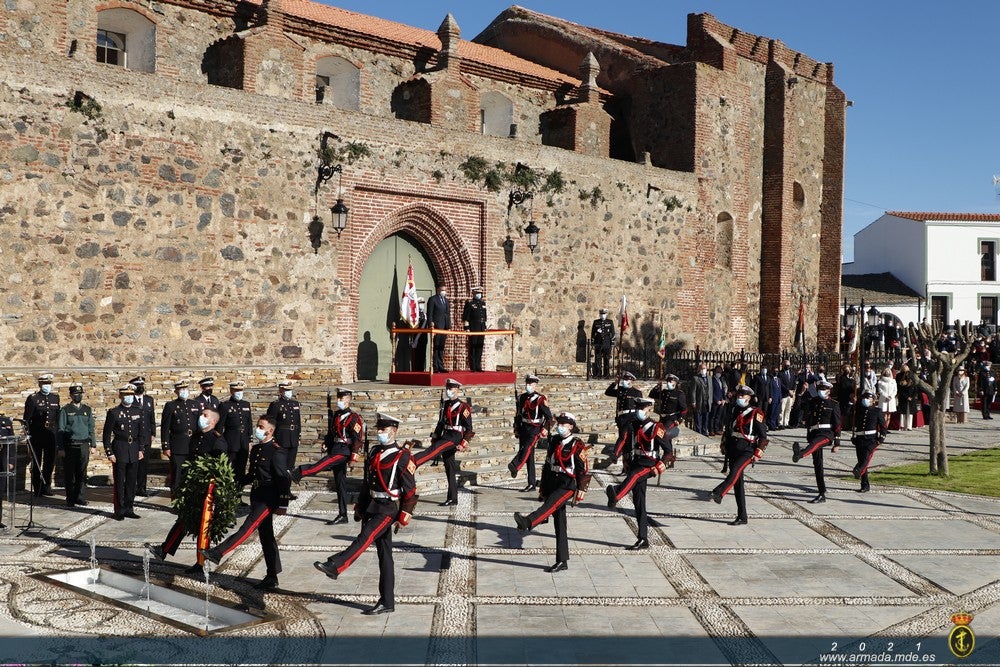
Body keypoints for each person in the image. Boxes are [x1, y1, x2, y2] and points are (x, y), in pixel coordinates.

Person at [313, 413, 418, 614]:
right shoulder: (374, 451)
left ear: (394, 431)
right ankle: (387, 602)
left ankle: (335, 565)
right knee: (385, 556)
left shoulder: (402, 456)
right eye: (378, 429)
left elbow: (410, 490)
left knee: (365, 537)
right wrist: (360, 506)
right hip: (372, 504)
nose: (380, 433)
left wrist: (405, 514)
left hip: (388, 508)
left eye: (383, 430)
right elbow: (366, 482)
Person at [200, 415, 291, 591]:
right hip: (257, 495)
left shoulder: (276, 451)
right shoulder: (256, 449)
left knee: (248, 527)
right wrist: (235, 482)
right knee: (266, 537)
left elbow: (283, 479)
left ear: (270, 430)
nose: (257, 429)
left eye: (260, 426)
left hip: (269, 497)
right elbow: (253, 474)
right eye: (257, 425)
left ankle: (218, 552)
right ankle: (272, 576)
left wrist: (283, 503)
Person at [513, 412, 591, 573]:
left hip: (568, 484)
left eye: (564, 424)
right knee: (559, 524)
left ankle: (528, 522)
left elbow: (582, 470)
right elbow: (548, 465)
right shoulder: (555, 440)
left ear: (571, 426)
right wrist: (543, 489)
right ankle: (562, 560)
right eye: (559, 424)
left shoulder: (577, 445)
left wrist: (581, 490)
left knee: (551, 505)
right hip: (554, 481)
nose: (560, 427)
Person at [606, 398, 672, 549]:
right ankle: (643, 539)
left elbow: (669, 452)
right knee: (639, 503)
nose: (640, 411)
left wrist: (660, 466)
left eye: (643, 408)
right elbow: (623, 439)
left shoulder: (656, 428)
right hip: (636, 461)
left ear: (649, 410)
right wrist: (616, 455)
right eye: (638, 408)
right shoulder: (633, 425)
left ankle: (616, 493)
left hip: (649, 464)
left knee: (634, 475)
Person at [292, 388, 365, 524]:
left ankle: (299, 472)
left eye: (341, 399)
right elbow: (331, 434)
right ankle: (343, 515)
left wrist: (354, 457)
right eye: (338, 398)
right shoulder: (337, 415)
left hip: (344, 451)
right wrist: (326, 443)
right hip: (336, 448)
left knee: (322, 464)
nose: (339, 401)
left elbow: (357, 439)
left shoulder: (353, 418)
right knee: (340, 485)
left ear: (348, 400)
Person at [710, 385, 768, 525]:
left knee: (734, 470)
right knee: (738, 484)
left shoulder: (756, 413)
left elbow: (763, 437)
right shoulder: (734, 409)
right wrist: (724, 444)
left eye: (742, 396)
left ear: (749, 397)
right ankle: (742, 516)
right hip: (733, 448)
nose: (739, 398)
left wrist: (758, 453)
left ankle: (719, 492)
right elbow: (728, 429)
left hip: (747, 450)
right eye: (738, 395)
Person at [412, 378, 472, 506]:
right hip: (445, 434)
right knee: (449, 468)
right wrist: (435, 437)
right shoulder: (445, 404)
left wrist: (463, 443)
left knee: (434, 450)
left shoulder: (463, 407)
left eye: (451, 388)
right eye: (447, 388)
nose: (448, 391)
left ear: (457, 390)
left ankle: (413, 462)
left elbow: (469, 428)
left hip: (455, 436)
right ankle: (453, 498)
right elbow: (440, 423)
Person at [791, 379, 842, 503]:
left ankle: (800, 454)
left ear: (829, 391)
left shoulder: (833, 404)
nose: (821, 392)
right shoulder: (813, 401)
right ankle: (821, 493)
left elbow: (837, 424)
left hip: (826, 434)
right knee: (818, 464)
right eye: (819, 389)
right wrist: (800, 394)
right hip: (814, 433)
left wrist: (837, 443)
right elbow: (799, 407)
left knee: (815, 444)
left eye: (824, 390)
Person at [102, 383, 148, 520]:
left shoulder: (138, 411)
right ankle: (119, 509)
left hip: (133, 449)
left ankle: (129, 507)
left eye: (131, 395)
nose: (129, 397)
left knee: (131, 481)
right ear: (120, 396)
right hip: (120, 448)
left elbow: (141, 433)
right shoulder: (114, 412)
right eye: (126, 395)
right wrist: (109, 452)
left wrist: (141, 449)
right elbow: (106, 435)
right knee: (120, 481)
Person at [508, 374, 552, 492]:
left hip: (535, 428)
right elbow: (518, 414)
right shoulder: (522, 398)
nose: (528, 386)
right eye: (527, 384)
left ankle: (514, 465)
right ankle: (531, 483)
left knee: (526, 448)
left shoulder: (540, 399)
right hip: (524, 427)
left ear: (535, 385)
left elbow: (549, 418)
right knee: (528, 456)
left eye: (531, 384)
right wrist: (516, 428)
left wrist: (545, 429)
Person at [57, 383, 96, 507]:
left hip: (84, 444)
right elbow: (61, 429)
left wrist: (93, 444)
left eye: (79, 394)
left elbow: (91, 428)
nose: (77, 396)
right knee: (70, 473)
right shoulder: (65, 410)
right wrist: (61, 447)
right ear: (71, 395)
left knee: (82, 472)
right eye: (75, 394)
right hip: (70, 445)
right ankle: (70, 498)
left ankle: (80, 497)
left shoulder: (87, 409)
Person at [160, 380, 199, 495]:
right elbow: (165, 428)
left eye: (186, 388)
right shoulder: (171, 406)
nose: (184, 391)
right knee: (177, 474)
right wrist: (166, 446)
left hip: (192, 444)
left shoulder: (195, 404)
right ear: (176, 391)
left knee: (192, 473)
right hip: (178, 445)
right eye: (181, 389)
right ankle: (176, 498)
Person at [24, 373, 59, 497]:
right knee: (37, 462)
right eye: (44, 384)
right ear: (39, 384)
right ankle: (37, 488)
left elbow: (57, 418)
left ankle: (46, 486)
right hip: (37, 435)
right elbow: (26, 420)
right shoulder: (33, 398)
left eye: (49, 384)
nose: (47, 386)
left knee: (50, 462)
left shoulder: (55, 398)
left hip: (51, 435)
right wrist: (28, 436)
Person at [851, 390, 887, 493]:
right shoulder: (859, 410)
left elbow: (883, 426)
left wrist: (881, 439)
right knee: (862, 460)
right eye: (864, 398)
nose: (865, 400)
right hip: (859, 439)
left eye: (868, 398)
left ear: (873, 400)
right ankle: (865, 485)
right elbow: (850, 415)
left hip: (871, 440)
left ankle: (857, 470)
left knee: (865, 460)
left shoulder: (877, 411)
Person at [219, 380, 252, 479]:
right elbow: (220, 426)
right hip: (231, 441)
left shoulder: (246, 404)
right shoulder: (225, 405)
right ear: (231, 391)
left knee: (241, 467)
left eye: (241, 390)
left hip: (243, 441)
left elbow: (249, 423)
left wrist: (250, 440)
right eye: (236, 390)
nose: (239, 393)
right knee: (231, 467)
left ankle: (239, 490)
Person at [646, 374, 686, 455]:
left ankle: (668, 455)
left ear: (675, 382)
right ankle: (667, 455)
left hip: (671, 419)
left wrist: (679, 419)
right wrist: (657, 386)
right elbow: (652, 394)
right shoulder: (664, 392)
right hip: (662, 418)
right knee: (664, 437)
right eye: (667, 381)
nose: (668, 383)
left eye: (670, 381)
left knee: (663, 434)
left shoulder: (679, 394)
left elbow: (684, 409)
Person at [267, 380, 302, 469]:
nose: (289, 392)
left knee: (290, 465)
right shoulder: (276, 405)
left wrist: (298, 436)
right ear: (281, 390)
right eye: (286, 390)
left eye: (290, 390)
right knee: (281, 465)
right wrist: (272, 438)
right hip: (281, 438)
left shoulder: (295, 403)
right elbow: (271, 423)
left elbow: (298, 421)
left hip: (293, 438)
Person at [130, 376, 156, 497]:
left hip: (146, 437)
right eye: (138, 385)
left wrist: (153, 433)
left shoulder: (149, 400)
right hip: (135, 438)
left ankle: (142, 488)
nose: (140, 387)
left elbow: (152, 418)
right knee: (134, 464)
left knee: (144, 465)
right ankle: (132, 487)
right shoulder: (130, 401)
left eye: (142, 385)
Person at [606, 371, 642, 443]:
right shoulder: (620, 390)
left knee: (628, 435)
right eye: (624, 379)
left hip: (631, 417)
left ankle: (621, 451)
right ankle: (624, 451)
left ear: (631, 380)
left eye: (627, 379)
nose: (625, 381)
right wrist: (615, 383)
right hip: (621, 417)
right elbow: (608, 392)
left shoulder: (636, 392)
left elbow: (640, 405)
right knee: (622, 435)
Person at [426, 285, 451, 373]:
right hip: (436, 326)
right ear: (438, 290)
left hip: (444, 327)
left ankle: (441, 366)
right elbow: (430, 313)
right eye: (442, 290)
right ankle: (435, 366)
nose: (444, 292)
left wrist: (448, 326)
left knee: (441, 347)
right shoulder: (433, 299)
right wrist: (431, 324)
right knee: (436, 347)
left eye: (445, 290)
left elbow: (447, 314)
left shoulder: (446, 301)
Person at [462, 286, 488, 372]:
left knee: (479, 347)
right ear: (473, 294)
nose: (479, 295)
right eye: (477, 293)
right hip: (473, 328)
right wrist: (467, 328)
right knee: (473, 347)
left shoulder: (483, 304)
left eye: (480, 293)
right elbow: (466, 317)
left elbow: (484, 317)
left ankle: (478, 365)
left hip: (481, 328)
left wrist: (485, 327)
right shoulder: (470, 304)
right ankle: (473, 366)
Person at [591, 308, 615, 378]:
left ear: (606, 314)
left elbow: (612, 333)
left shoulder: (610, 322)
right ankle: (598, 374)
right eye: (601, 314)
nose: (602, 315)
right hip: (598, 343)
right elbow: (593, 333)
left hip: (607, 344)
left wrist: (612, 342)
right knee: (598, 359)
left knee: (606, 359)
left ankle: (606, 374)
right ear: (599, 314)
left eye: (604, 314)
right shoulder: (596, 322)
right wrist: (593, 342)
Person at [689, 363, 713, 436]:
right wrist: (693, 402)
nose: (703, 370)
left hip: (707, 401)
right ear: (699, 369)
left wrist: (711, 401)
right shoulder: (695, 378)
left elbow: (711, 389)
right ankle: (698, 432)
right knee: (698, 418)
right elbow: (693, 391)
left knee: (706, 417)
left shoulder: (709, 378)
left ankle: (704, 432)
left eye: (704, 368)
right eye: (701, 369)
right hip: (699, 401)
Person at [896, 364, 918, 430]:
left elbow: (915, 388)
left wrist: (912, 396)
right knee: (903, 412)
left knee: (910, 412)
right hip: (903, 396)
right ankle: (903, 426)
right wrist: (907, 396)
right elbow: (899, 388)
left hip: (910, 395)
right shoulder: (899, 376)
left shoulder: (912, 375)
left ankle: (908, 426)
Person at [709, 366, 728, 435]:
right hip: (715, 401)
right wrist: (716, 400)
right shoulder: (712, 380)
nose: (719, 373)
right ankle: (711, 430)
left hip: (721, 401)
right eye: (717, 371)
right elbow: (711, 391)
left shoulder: (720, 380)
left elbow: (722, 390)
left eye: (720, 372)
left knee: (718, 416)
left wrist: (724, 399)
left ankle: (716, 429)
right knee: (713, 416)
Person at [778, 360, 795, 429]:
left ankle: (786, 423)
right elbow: (781, 384)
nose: (787, 366)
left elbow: (794, 382)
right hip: (784, 394)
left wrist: (793, 390)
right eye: (786, 365)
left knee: (788, 409)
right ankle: (780, 423)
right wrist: (788, 390)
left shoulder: (791, 373)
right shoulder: (780, 374)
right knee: (782, 409)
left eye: (788, 365)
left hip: (790, 394)